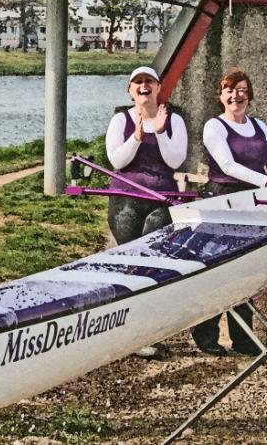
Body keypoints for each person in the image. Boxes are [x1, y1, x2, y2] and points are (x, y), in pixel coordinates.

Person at [193, 68, 267, 356]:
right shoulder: (214, 127)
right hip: (224, 200)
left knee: (249, 269)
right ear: (221, 96)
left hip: (254, 201)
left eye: (241, 90)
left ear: (249, 95)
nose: (236, 96)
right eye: (229, 90)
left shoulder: (259, 126)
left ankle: (243, 338)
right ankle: (205, 334)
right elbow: (228, 166)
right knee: (221, 269)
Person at [105, 66, 188, 358]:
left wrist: (161, 133)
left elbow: (176, 160)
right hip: (125, 199)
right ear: (130, 90)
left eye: (149, 82)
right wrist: (137, 136)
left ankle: (149, 331)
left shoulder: (174, 120)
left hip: (161, 200)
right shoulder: (120, 120)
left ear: (158, 87)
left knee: (151, 262)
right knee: (131, 263)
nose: (143, 86)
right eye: (138, 82)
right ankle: (130, 334)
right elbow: (116, 159)